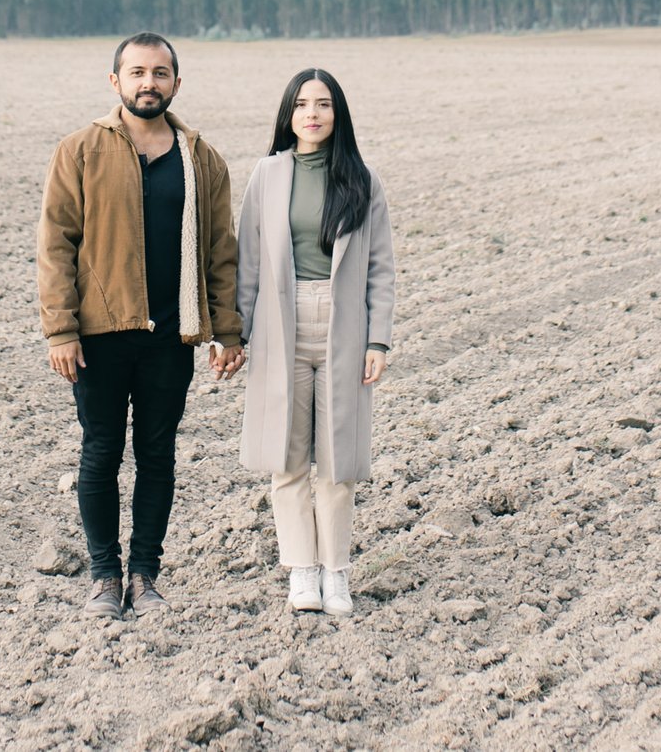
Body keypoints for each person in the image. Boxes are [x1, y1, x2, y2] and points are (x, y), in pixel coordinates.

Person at [38, 32, 246, 619]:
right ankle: (104, 577)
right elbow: (56, 246)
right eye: (136, 73)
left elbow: (219, 252)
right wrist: (61, 330)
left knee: (157, 455)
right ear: (116, 83)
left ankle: (145, 576)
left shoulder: (201, 158)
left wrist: (227, 332)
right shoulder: (79, 151)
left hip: (170, 337)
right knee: (100, 454)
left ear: (176, 83)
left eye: (160, 73)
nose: (148, 82)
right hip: (99, 337)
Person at [236, 68, 396, 616]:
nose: (312, 114)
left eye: (323, 104)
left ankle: (336, 573)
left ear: (337, 114)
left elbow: (379, 268)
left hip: (343, 326)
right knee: (288, 457)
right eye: (302, 104)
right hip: (280, 322)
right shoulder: (268, 174)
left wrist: (379, 341)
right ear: (288, 114)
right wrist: (236, 332)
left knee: (338, 461)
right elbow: (249, 262)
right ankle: (300, 572)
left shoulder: (362, 179)